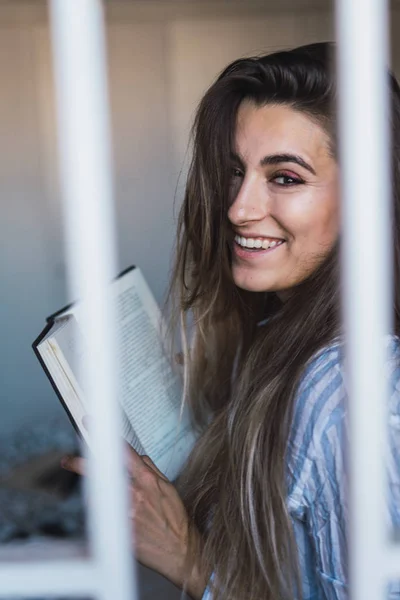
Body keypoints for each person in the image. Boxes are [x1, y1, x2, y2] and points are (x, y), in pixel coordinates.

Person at [63, 42, 400, 599]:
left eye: (286, 178)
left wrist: (191, 562)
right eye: (235, 172)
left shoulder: (353, 397)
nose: (239, 209)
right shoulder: (290, 333)